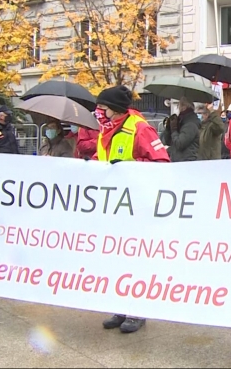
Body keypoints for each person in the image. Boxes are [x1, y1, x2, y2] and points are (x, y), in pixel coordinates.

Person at [94, 85, 169, 333]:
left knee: (135, 260)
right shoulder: (106, 130)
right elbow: (104, 159)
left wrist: (131, 165)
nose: (98, 112)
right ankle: (120, 307)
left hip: (137, 205)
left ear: (114, 109)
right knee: (115, 259)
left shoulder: (139, 128)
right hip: (113, 206)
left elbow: (161, 163)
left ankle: (138, 311)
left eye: (102, 108)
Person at [161, 97, 200, 162]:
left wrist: (174, 130)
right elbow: (169, 141)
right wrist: (169, 128)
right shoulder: (182, 121)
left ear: (184, 107)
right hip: (179, 160)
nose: (178, 108)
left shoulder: (191, 124)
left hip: (186, 162)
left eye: (179, 106)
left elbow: (180, 144)